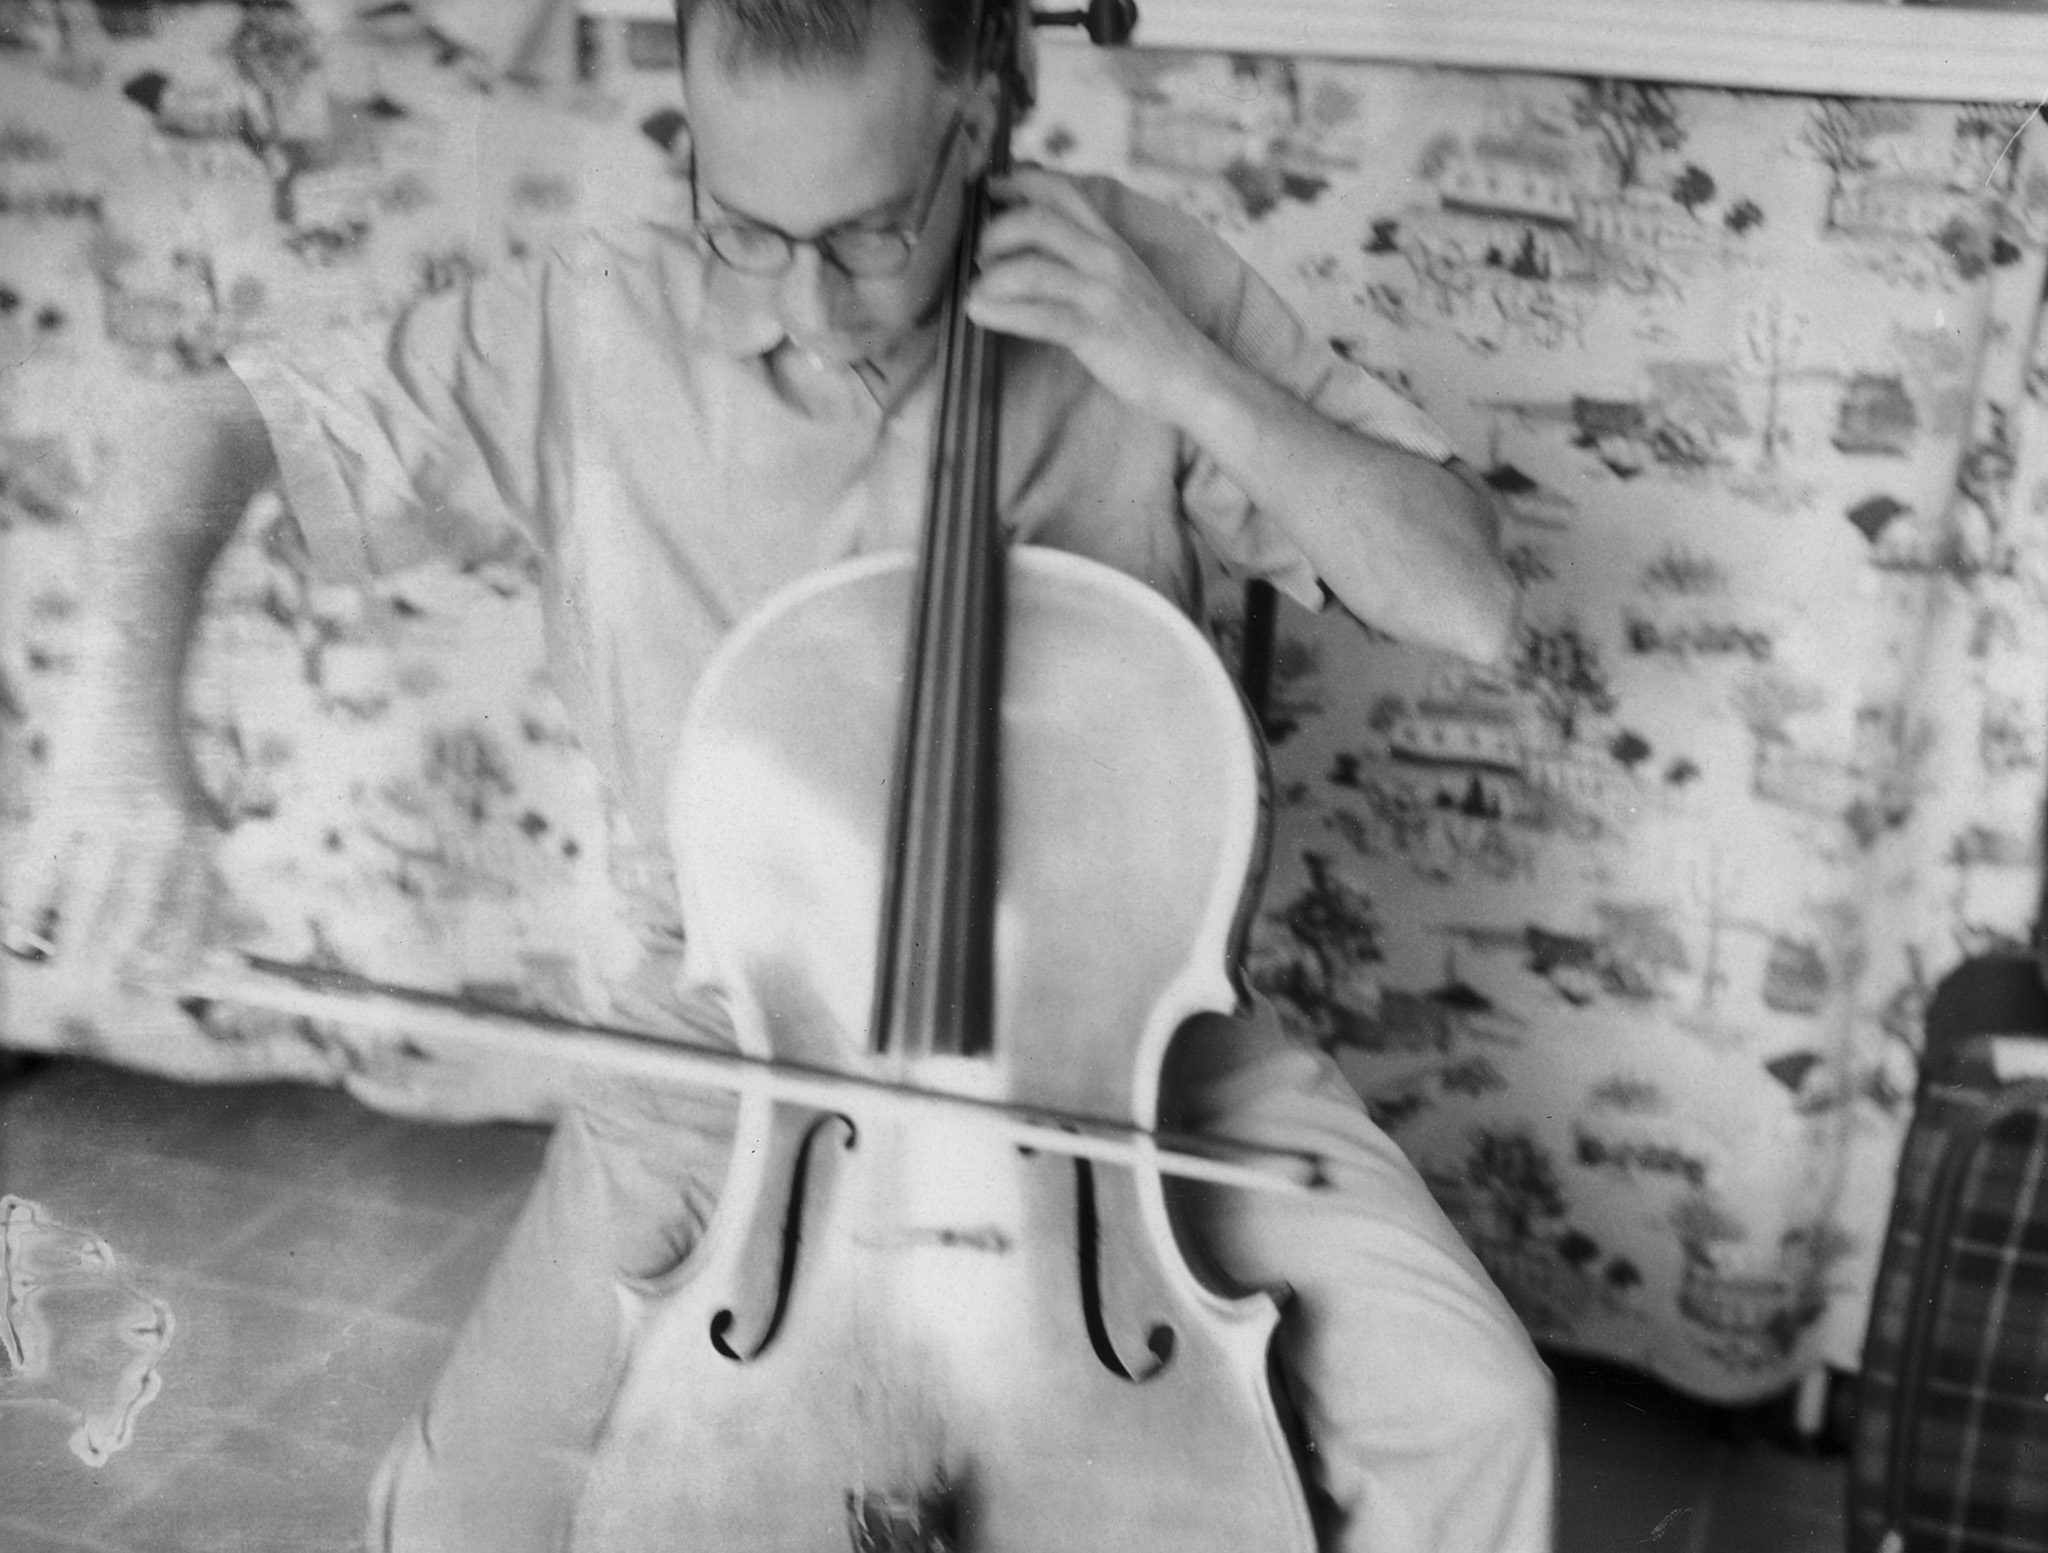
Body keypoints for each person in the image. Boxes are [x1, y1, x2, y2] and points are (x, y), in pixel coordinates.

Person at [7, 0, 1555, 1548]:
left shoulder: (1141, 278)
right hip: (733, 1052)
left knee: (1478, 1411)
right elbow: (199, 430)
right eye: (745, 228)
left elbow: (1470, 601)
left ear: (978, 116)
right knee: (459, 1520)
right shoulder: (595, 323)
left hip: (1126, 1049)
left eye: (873, 232)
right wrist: (121, 734)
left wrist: (1183, 374)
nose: (808, 303)